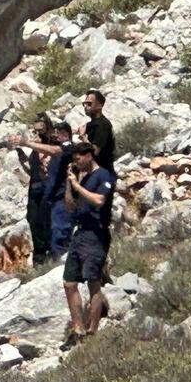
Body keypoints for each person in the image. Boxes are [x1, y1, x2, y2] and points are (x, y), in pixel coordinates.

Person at [61, 141, 117, 349]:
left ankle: (93, 330)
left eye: (78, 159)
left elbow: (100, 200)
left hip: (96, 235)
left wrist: (78, 187)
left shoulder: (103, 175)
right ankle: (78, 329)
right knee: (69, 283)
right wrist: (70, 183)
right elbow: (69, 205)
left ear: (88, 156)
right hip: (80, 233)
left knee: (93, 281)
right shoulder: (82, 180)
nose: (77, 164)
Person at [12, 116, 67, 264]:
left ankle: (55, 254)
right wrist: (22, 154)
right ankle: (39, 258)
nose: (38, 134)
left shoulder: (57, 144)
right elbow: (33, 168)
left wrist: (27, 143)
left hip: (50, 189)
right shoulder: (36, 148)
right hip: (35, 189)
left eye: (41, 131)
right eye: (36, 131)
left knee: (48, 221)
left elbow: (54, 152)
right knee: (33, 220)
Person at [81, 89, 116, 172]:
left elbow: (95, 151)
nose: (86, 106)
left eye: (89, 104)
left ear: (99, 105)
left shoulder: (103, 125)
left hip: (103, 172)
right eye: (84, 104)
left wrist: (83, 137)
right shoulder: (92, 124)